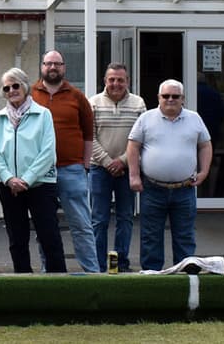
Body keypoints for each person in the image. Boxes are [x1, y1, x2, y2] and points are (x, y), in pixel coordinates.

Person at [126, 79, 213, 271]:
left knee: (185, 236)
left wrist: (204, 172)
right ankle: (152, 275)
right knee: (150, 236)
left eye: (175, 96)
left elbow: (205, 145)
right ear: (159, 97)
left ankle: (185, 276)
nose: (170, 99)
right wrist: (134, 176)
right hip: (153, 188)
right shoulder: (146, 118)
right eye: (166, 96)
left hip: (184, 189)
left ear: (183, 98)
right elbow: (133, 146)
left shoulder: (194, 118)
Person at [0, 68, 65, 273]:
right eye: (7, 87)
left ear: (25, 86)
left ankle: (60, 285)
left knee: (49, 237)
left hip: (41, 185)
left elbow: (48, 152)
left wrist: (26, 180)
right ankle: (23, 282)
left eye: (15, 85)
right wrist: (9, 179)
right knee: (17, 239)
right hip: (9, 187)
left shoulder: (43, 115)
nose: (12, 90)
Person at [30, 50, 99, 273]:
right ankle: (48, 271)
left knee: (81, 225)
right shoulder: (30, 94)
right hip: (41, 172)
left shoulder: (76, 96)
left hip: (72, 169)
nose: (52, 68)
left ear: (64, 67)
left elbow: (89, 133)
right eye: (48, 63)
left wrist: (85, 165)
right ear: (42, 67)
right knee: (45, 226)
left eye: (57, 64)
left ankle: (92, 272)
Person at [88, 63, 146, 273]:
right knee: (99, 219)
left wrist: (121, 161)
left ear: (127, 81)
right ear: (105, 81)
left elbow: (141, 138)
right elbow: (89, 137)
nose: (116, 83)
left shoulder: (138, 103)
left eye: (120, 79)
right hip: (99, 170)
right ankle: (98, 265)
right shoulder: (93, 103)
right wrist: (107, 162)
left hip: (126, 170)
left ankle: (121, 263)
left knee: (125, 218)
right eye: (112, 79)